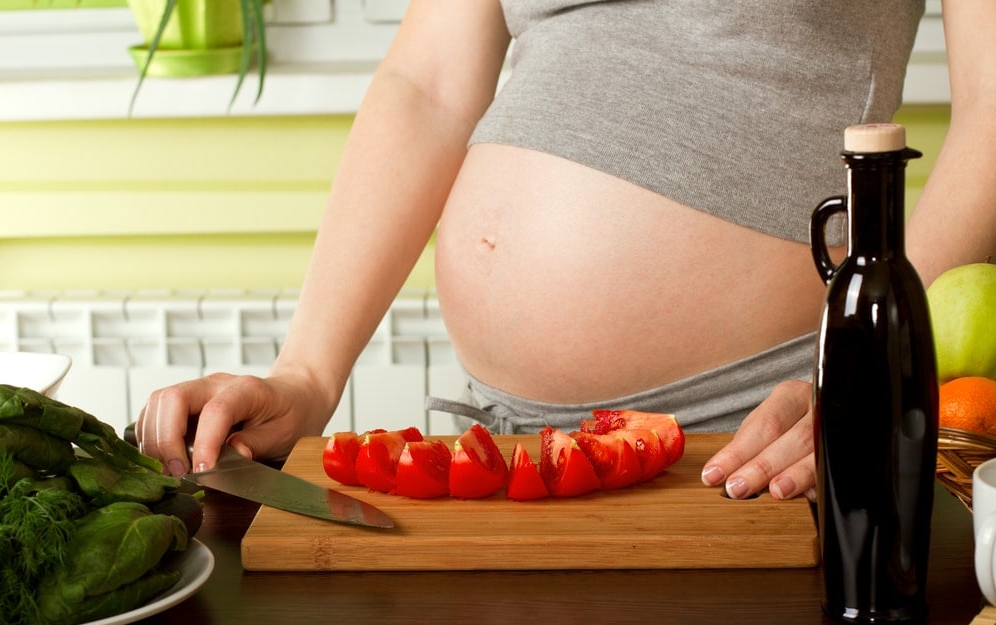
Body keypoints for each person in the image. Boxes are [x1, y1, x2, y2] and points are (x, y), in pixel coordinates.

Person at [135, 0, 996, 503]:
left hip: (760, 438)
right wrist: (308, 374)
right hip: (501, 456)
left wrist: (861, 369)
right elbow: (426, 85)